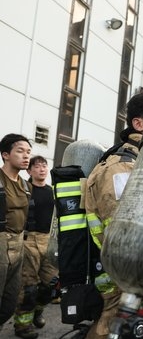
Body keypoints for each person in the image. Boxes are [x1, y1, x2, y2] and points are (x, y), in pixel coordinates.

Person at [84, 90, 143, 339]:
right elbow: (121, 232)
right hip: (120, 278)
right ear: (138, 123)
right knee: (112, 328)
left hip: (137, 276)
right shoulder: (122, 167)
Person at [13, 156, 59, 339]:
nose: (42, 169)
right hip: (28, 240)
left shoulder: (53, 192)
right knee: (29, 287)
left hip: (49, 241)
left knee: (51, 286)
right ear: (29, 171)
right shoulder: (24, 190)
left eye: (44, 165)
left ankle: (37, 311)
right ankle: (22, 325)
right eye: (37, 166)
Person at [0, 134, 33, 329]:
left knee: (10, 302)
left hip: (18, 244)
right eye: (20, 151)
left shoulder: (26, 185)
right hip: (1, 241)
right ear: (5, 155)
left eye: (28, 152)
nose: (26, 156)